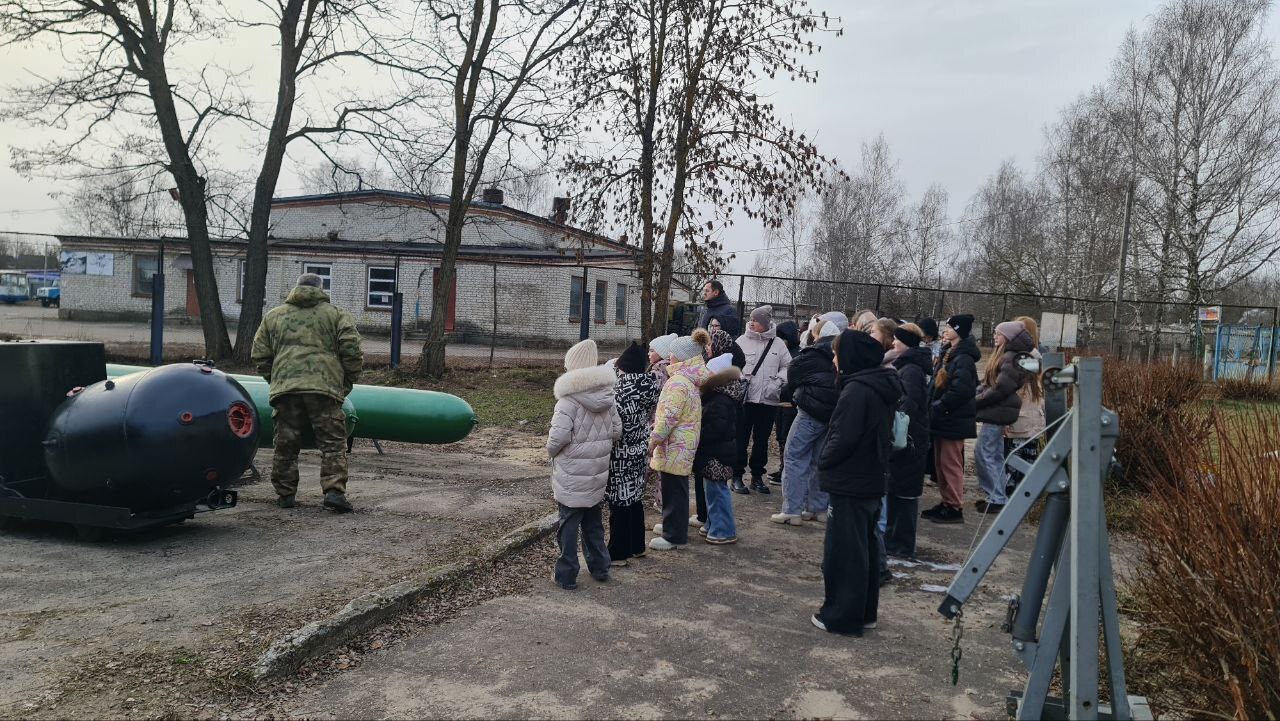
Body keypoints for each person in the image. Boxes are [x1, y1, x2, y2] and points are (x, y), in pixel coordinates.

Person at [811, 329, 903, 637]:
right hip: (870, 477)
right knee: (863, 548)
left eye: (837, 353)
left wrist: (824, 460)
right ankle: (864, 612)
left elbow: (842, 437)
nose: (834, 359)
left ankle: (841, 615)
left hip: (851, 480)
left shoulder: (857, 390)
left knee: (844, 552)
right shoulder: (878, 384)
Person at [251, 272, 364, 513]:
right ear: (321, 289)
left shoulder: (274, 316)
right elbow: (352, 351)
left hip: (286, 390)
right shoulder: (336, 315)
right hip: (325, 389)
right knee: (333, 444)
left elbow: (260, 354)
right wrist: (345, 382)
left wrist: (276, 379)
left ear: (296, 287)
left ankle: (285, 494)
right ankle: (334, 492)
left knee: (285, 443)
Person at [547, 340, 622, 589]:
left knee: (568, 526)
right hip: (597, 473)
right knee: (593, 524)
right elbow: (617, 430)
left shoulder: (568, 401)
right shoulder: (607, 397)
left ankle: (566, 575)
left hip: (572, 473)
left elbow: (558, 438)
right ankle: (600, 567)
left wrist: (551, 452)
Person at [771, 317, 840, 526]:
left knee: (794, 456)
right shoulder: (842, 352)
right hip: (831, 415)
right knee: (819, 459)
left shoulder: (812, 354)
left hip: (810, 412)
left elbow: (793, 376)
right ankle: (817, 508)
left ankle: (792, 510)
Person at [649, 330, 712, 551]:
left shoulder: (678, 382)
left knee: (674, 488)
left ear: (681, 357)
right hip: (684, 443)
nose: (670, 357)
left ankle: (674, 536)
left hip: (674, 444)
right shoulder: (691, 379)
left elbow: (668, 417)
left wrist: (654, 440)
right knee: (677, 486)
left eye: (673, 354)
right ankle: (673, 525)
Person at [606, 342, 662, 566]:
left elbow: (615, 424)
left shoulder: (620, 391)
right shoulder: (649, 386)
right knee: (634, 497)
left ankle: (618, 552)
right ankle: (637, 545)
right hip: (640, 448)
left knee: (619, 501)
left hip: (621, 451)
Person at [922, 314, 980, 525]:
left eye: (949, 327)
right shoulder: (950, 353)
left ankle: (954, 506)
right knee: (941, 463)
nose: (945, 330)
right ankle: (947, 502)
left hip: (952, 420)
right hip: (943, 419)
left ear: (959, 330)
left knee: (950, 464)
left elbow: (962, 390)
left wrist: (940, 407)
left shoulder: (963, 358)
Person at [974, 321, 1035, 513]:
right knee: (994, 454)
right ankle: (997, 495)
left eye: (998, 333)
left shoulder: (1009, 357)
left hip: (997, 410)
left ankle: (997, 497)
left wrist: (978, 400)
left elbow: (1001, 387)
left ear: (1007, 337)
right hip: (998, 410)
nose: (994, 336)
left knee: (984, 453)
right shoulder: (1009, 356)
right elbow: (994, 383)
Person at [885, 323, 932, 559]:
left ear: (905, 342)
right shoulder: (908, 367)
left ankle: (901, 545)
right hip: (912, 437)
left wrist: (899, 434)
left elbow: (908, 405)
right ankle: (896, 541)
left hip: (910, 439)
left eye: (896, 340)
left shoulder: (910, 370)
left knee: (904, 493)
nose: (893, 343)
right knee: (899, 489)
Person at [732, 305, 791, 494]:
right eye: (751, 319)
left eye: (755, 320)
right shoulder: (741, 341)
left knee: (761, 440)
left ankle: (757, 476)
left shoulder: (778, 344)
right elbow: (732, 365)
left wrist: (778, 382)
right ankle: (737, 476)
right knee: (741, 438)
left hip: (768, 400)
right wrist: (739, 379)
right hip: (746, 400)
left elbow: (788, 366)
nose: (751, 322)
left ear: (765, 323)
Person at [694, 352, 743, 544]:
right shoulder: (722, 395)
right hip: (717, 452)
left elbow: (718, 428)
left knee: (717, 492)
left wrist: (698, 432)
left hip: (717, 454)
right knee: (711, 491)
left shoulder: (720, 399)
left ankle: (724, 529)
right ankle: (713, 523)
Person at [1004, 316, 1045, 497]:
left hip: (1024, 417)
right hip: (1026, 417)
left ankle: (1018, 495)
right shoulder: (1034, 356)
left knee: (1018, 460)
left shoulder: (1029, 358)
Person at [769, 320, 803, 486]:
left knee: (787, 437)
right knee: (781, 436)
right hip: (780, 402)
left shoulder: (796, 355)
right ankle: (783, 467)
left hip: (790, 403)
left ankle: (786, 470)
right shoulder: (784, 353)